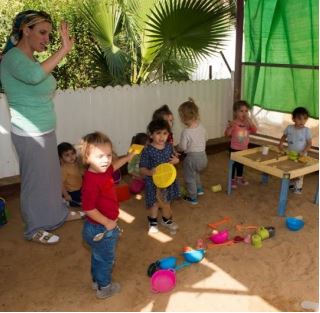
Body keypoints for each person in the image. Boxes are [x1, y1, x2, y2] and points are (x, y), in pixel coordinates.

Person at [0, 10, 74, 244]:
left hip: (44, 130)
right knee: (34, 183)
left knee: (50, 180)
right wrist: (63, 50)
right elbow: (33, 78)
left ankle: (57, 215)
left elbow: (39, 78)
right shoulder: (13, 59)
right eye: (42, 32)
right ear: (26, 30)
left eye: (49, 35)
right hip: (29, 134)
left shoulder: (31, 59)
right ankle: (34, 228)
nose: (46, 39)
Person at [80, 131, 134, 299]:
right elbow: (88, 209)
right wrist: (107, 222)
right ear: (87, 157)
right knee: (106, 260)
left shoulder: (102, 170)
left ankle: (96, 281)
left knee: (98, 256)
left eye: (108, 155)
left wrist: (128, 157)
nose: (106, 160)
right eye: (100, 156)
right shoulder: (91, 181)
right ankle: (104, 288)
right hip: (101, 228)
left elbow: (114, 166)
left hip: (99, 227)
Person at [139, 119, 180, 234]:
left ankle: (166, 220)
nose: (162, 137)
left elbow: (175, 159)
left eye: (165, 133)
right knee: (155, 203)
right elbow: (142, 168)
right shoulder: (147, 150)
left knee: (166, 202)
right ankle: (152, 222)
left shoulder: (169, 147)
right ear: (151, 135)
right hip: (153, 183)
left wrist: (176, 160)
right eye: (158, 133)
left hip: (167, 182)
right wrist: (150, 172)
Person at [177, 98, 208, 205]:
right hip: (203, 157)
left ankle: (193, 197)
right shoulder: (202, 127)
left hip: (191, 159)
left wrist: (178, 148)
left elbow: (183, 147)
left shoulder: (186, 132)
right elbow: (205, 140)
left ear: (183, 118)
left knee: (189, 177)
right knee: (196, 173)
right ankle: (199, 189)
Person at [279, 107, 312, 194]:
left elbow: (309, 144)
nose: (302, 121)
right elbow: (283, 137)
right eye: (299, 118)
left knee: (300, 172)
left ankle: (298, 188)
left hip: (301, 156)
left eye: (305, 119)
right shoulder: (289, 128)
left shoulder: (306, 131)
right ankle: (290, 185)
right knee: (290, 169)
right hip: (290, 154)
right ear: (293, 119)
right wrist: (281, 144)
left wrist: (303, 152)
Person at [225, 100, 257, 189]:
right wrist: (230, 127)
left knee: (241, 164)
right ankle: (231, 179)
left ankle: (239, 178)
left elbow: (255, 131)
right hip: (234, 148)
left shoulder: (247, 124)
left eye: (246, 111)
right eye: (241, 111)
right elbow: (226, 134)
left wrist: (250, 123)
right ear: (235, 112)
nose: (244, 113)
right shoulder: (234, 123)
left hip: (244, 148)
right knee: (234, 164)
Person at [57, 142, 83, 207]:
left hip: (80, 188)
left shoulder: (77, 163)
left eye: (72, 153)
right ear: (61, 157)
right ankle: (66, 202)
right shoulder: (64, 169)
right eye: (67, 155)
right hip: (72, 192)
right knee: (78, 204)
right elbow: (60, 184)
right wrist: (66, 195)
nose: (71, 157)